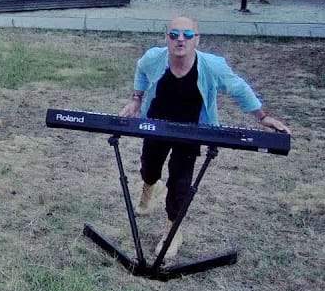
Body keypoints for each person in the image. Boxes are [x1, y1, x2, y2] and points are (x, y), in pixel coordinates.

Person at [119, 15, 290, 260]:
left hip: (192, 131)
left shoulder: (212, 66)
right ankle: (149, 187)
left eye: (187, 35)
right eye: (174, 35)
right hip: (157, 124)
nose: (180, 39)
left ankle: (172, 231)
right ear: (167, 38)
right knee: (149, 168)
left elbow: (239, 88)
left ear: (197, 39)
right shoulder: (154, 58)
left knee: (180, 182)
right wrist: (136, 99)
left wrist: (263, 117)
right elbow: (141, 70)